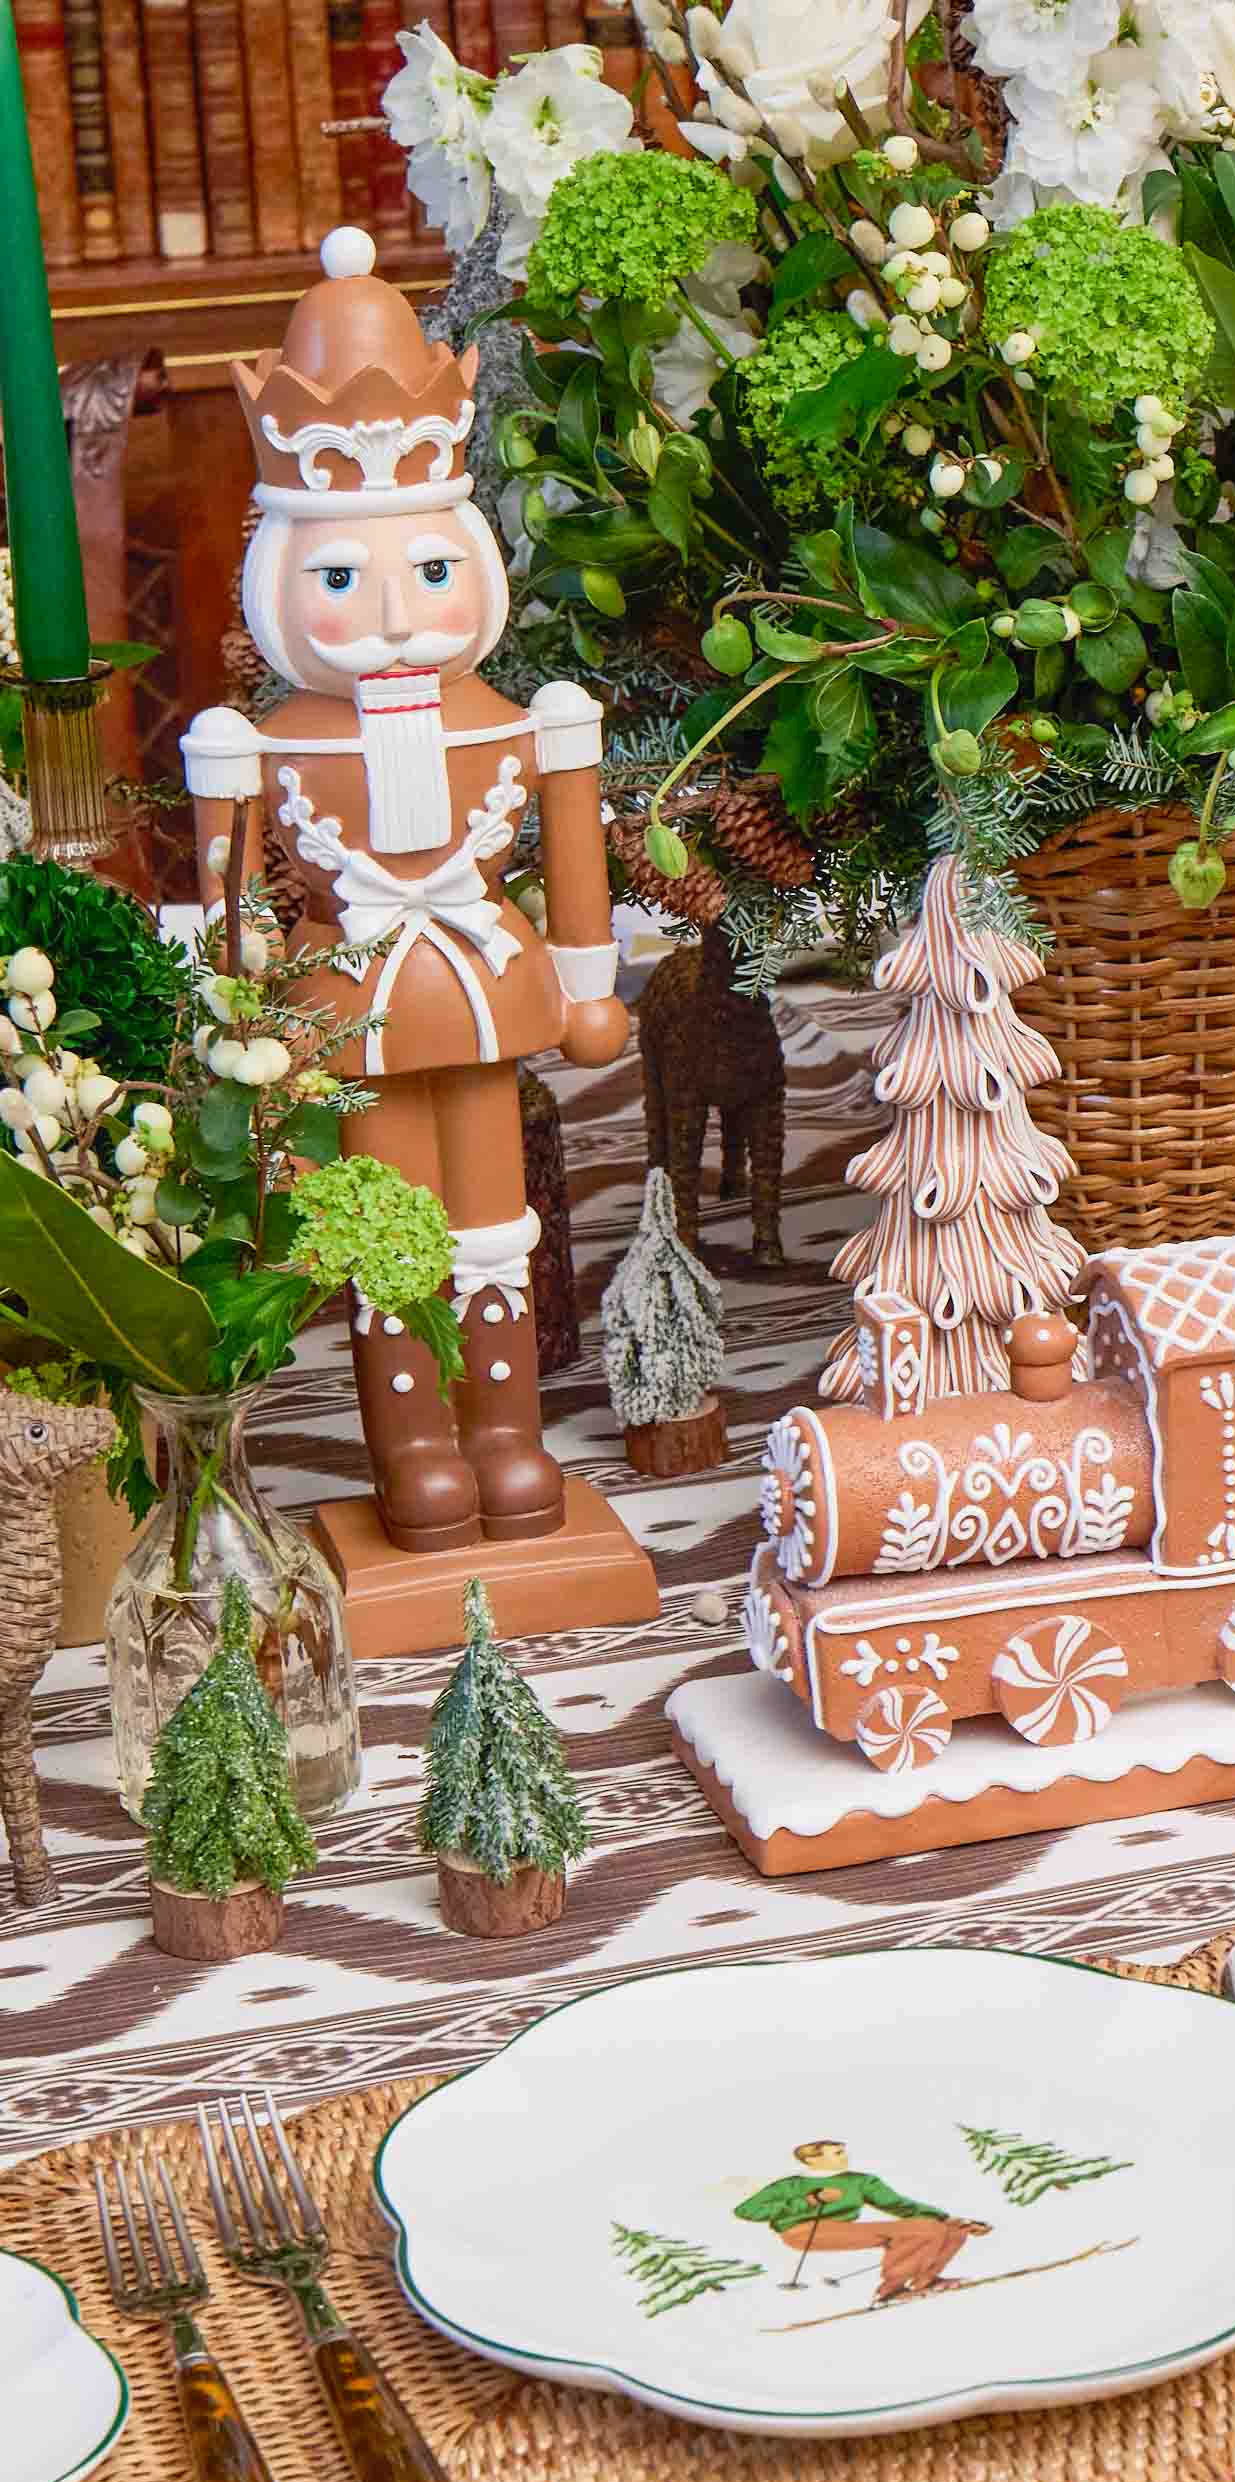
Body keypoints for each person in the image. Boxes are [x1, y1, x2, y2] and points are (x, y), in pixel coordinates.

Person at [179, 228, 629, 1551]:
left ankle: (507, 1433)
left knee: (496, 1219)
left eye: (429, 572)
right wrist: (243, 1024)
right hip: (354, 1011)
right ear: (282, 578)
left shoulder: (522, 718)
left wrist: (589, 984)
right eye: (341, 579)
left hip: (483, 985)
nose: (392, 614)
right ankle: (417, 1444)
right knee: (388, 1225)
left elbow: (575, 846)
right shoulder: (268, 742)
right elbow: (232, 903)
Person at [733, 2140, 990, 2304]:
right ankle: (892, 2289)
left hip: (843, 2228)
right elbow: (746, 2211)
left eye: (843, 2152)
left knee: (949, 2230)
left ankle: (926, 2280)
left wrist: (949, 2219)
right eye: (836, 2153)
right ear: (812, 2160)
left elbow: (898, 2205)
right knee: (924, 2230)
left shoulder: (860, 2181)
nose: (844, 2157)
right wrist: (810, 2201)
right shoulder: (792, 2185)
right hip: (803, 2231)